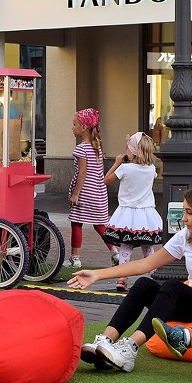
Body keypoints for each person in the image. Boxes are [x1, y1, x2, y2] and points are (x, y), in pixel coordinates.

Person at [68, 183, 192, 373]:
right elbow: (145, 265)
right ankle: (105, 341)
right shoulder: (187, 237)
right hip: (191, 305)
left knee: (172, 286)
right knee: (144, 284)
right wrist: (96, 275)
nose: (184, 218)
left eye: (190, 213)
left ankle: (130, 348)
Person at [102, 132, 162, 291]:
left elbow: (106, 180)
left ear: (134, 150)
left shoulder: (125, 168)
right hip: (146, 215)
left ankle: (122, 278)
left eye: (128, 147)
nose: (125, 149)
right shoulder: (151, 169)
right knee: (148, 248)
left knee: (126, 247)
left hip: (127, 215)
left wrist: (116, 163)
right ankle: (152, 276)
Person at [65, 107, 114, 268]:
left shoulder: (81, 149)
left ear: (83, 127)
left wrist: (76, 194)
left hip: (85, 192)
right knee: (99, 224)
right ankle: (115, 251)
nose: (72, 128)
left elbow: (82, 172)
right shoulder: (97, 146)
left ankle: (75, 259)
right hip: (98, 192)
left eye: (74, 124)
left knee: (76, 223)